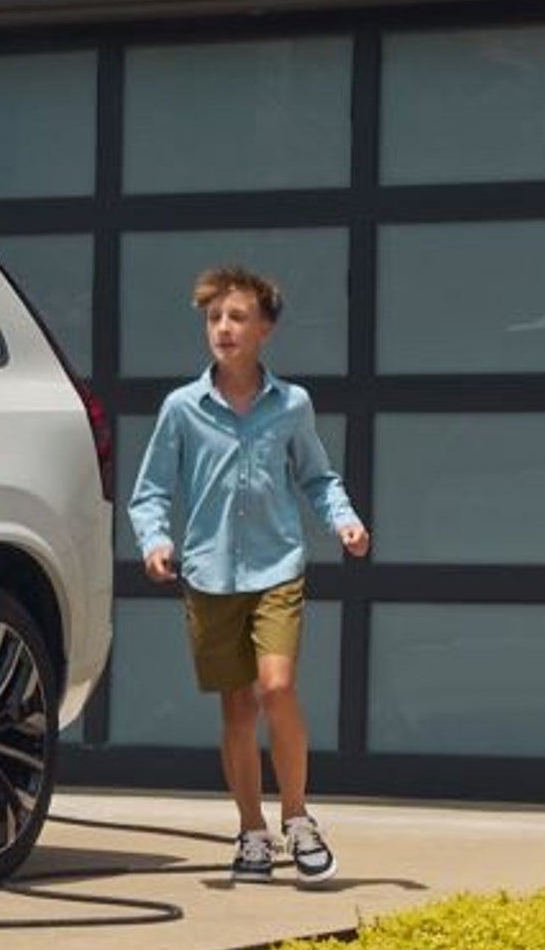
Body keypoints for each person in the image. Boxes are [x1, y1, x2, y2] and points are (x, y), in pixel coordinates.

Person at [127, 261, 368, 882]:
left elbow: (316, 476)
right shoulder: (182, 408)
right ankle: (251, 831)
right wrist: (155, 541)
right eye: (214, 318)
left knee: (277, 688)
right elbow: (150, 490)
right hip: (209, 574)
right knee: (237, 710)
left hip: (277, 564)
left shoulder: (292, 405)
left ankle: (296, 816)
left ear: (265, 329)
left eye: (237, 317)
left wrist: (343, 520)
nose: (224, 328)